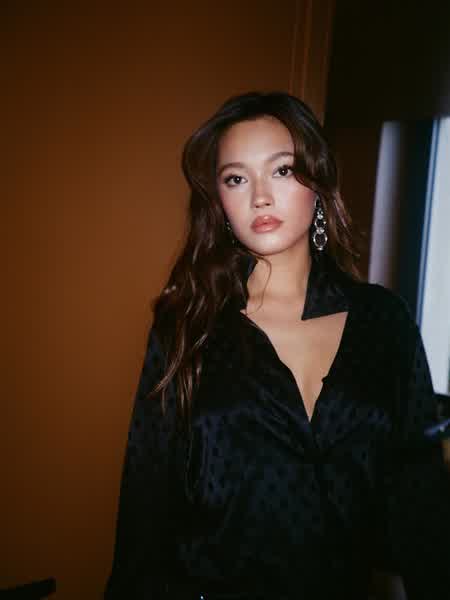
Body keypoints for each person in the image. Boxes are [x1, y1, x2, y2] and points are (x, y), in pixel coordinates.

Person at [104, 92, 450, 600]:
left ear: (318, 180)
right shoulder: (187, 326)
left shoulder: (384, 323)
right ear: (219, 202)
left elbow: (421, 501)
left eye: (282, 170)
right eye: (236, 179)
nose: (260, 197)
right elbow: (146, 502)